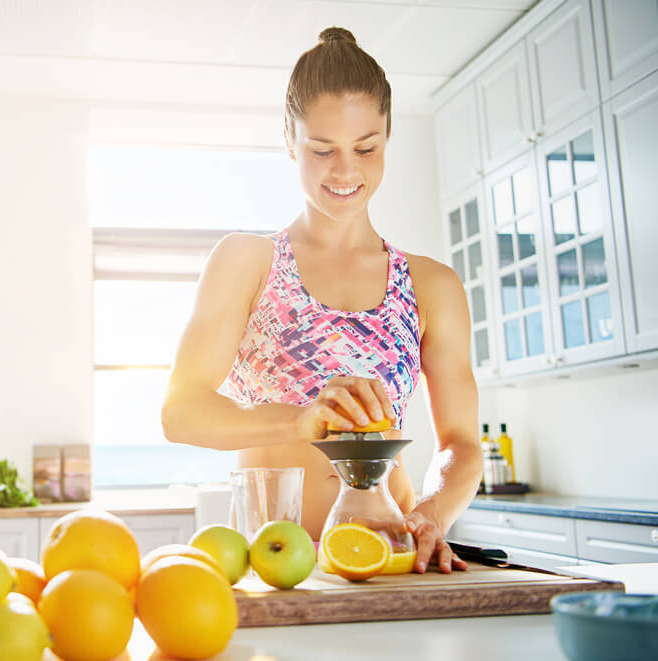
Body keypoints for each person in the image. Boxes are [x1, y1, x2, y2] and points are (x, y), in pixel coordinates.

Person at [161, 27, 482, 573]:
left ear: (386, 140)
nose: (346, 171)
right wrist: (300, 420)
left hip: (391, 559)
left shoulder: (432, 285)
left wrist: (432, 513)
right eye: (321, 148)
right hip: (274, 566)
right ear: (291, 141)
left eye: (366, 148)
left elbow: (461, 445)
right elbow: (181, 412)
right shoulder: (247, 262)